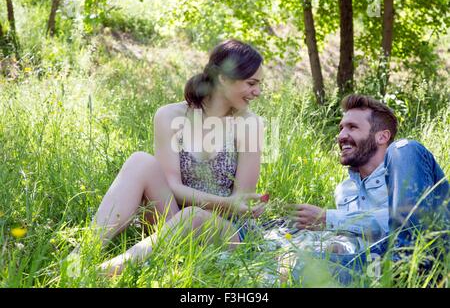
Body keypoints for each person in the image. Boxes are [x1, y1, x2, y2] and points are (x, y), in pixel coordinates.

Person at [68, 39, 268, 276]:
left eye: (259, 84)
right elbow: (171, 185)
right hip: (170, 221)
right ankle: (78, 259)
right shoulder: (170, 115)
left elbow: (239, 204)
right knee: (140, 161)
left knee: (193, 216)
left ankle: (103, 274)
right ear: (224, 78)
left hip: (227, 232)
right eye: (251, 83)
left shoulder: (250, 125)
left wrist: (230, 205)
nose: (257, 92)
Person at [279, 94, 449, 283]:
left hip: (435, 253)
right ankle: (398, 275)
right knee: (302, 265)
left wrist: (329, 218)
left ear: (382, 136)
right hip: (379, 267)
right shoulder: (344, 191)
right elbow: (360, 241)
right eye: (341, 128)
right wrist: (338, 247)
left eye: (352, 127)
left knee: (405, 147)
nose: (341, 136)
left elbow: (412, 218)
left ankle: (407, 262)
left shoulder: (406, 164)